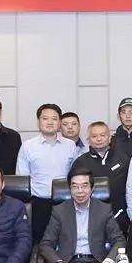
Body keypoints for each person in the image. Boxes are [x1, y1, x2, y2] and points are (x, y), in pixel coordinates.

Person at [39, 168, 126, 263]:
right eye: (75, 186)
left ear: (92, 188)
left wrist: (108, 261)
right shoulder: (59, 211)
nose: (80, 191)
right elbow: (46, 244)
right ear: (70, 189)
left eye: (84, 186)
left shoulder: (103, 210)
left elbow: (119, 240)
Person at [16, 103, 80, 243]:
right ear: (38, 122)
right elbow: (22, 178)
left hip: (66, 202)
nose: (50, 122)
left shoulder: (70, 146)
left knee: (66, 242)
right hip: (38, 203)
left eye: (54, 119)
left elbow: (75, 175)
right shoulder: (28, 146)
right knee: (40, 243)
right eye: (45, 118)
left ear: (59, 123)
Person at [72, 121, 131, 234]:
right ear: (88, 139)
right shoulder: (81, 162)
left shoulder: (123, 158)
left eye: (102, 135)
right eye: (94, 136)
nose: (99, 139)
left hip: (120, 216)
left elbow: (131, 187)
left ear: (109, 138)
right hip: (90, 218)